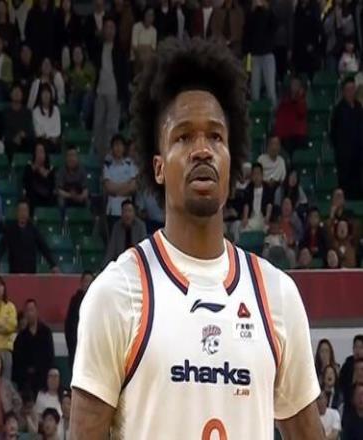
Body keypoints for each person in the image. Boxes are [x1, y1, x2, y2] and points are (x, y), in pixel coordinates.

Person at [70, 38, 323, 438]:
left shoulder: (277, 295)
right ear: (158, 167)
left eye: (216, 137)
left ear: (231, 161)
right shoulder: (118, 293)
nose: (202, 150)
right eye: (184, 137)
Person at [91, 16, 129, 159]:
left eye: (112, 27)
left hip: (114, 91)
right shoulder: (98, 48)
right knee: (98, 124)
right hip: (100, 90)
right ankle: (99, 155)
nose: (109, 30)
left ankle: (111, 156)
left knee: (111, 126)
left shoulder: (120, 50)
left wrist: (123, 95)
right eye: (106, 27)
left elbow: (124, 74)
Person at [0, 200, 58, 274]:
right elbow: (1, 247)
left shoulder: (33, 230)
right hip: (14, 272)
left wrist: (53, 265)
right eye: (21, 210)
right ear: (17, 213)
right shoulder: (10, 229)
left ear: (28, 213)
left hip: (30, 273)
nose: (23, 213)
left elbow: (44, 248)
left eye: (25, 211)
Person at [330, 76, 363, 199]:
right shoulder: (338, 110)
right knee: (345, 186)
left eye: (353, 89)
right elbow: (333, 134)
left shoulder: (359, 107)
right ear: (343, 92)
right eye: (348, 89)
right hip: (344, 157)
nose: (351, 92)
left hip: (359, 155)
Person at [12, 299, 54, 394]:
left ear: (37, 311)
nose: (30, 313)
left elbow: (50, 356)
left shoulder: (46, 332)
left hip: (43, 379)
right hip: (26, 381)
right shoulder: (21, 337)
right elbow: (17, 360)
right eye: (27, 310)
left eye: (32, 310)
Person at [243, 0, 277, 105]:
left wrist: (267, 9)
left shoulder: (269, 12)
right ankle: (256, 113)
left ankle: (273, 112)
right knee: (254, 90)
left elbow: (275, 26)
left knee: (270, 89)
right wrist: (251, 12)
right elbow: (247, 32)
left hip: (268, 54)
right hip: (255, 55)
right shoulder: (250, 14)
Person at [103, 134, 138, 232]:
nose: (118, 148)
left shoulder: (130, 164)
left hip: (128, 211)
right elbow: (108, 187)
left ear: (124, 147)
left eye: (120, 145)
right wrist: (125, 185)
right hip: (113, 210)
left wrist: (116, 190)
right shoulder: (107, 165)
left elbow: (133, 187)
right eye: (115, 145)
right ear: (112, 148)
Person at [64, 271, 94, 369]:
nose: (88, 284)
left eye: (90, 282)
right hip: (77, 346)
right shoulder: (74, 301)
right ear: (81, 283)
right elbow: (69, 326)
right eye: (86, 281)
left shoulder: (98, 301)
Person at [104, 200, 147, 264]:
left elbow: (144, 247)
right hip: (121, 261)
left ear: (134, 213)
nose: (127, 214)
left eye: (129, 211)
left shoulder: (141, 226)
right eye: (124, 211)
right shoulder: (117, 226)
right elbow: (111, 249)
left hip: (136, 261)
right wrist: (104, 266)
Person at [274, 77, 307, 158]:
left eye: (296, 84)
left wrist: (299, 98)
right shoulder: (284, 100)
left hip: (297, 135)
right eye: (293, 84)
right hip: (284, 136)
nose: (294, 86)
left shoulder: (302, 100)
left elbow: (302, 112)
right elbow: (279, 116)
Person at [66, 45, 96, 128]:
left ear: (83, 55)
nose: (77, 56)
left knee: (88, 96)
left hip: (87, 94)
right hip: (75, 94)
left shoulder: (89, 67)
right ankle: (73, 121)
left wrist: (81, 81)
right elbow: (70, 85)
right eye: (75, 54)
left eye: (79, 53)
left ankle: (82, 120)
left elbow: (91, 84)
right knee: (72, 96)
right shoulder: (69, 70)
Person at [292, 0, 322, 79]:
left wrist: (313, 44)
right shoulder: (298, 8)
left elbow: (318, 28)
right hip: (298, 48)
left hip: (311, 48)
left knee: (311, 73)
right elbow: (295, 28)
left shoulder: (314, 7)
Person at [3, 84, 33, 161]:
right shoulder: (5, 112)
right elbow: (4, 130)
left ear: (22, 95)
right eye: (14, 91)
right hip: (10, 142)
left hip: (24, 141)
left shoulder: (27, 112)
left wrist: (23, 135)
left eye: (19, 91)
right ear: (10, 95)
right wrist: (14, 138)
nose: (17, 93)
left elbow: (30, 131)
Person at [241, 162, 274, 232]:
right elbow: (246, 204)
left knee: (265, 228)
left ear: (262, 175)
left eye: (258, 173)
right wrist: (245, 217)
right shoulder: (248, 188)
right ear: (251, 176)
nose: (256, 176)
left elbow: (269, 204)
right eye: (254, 174)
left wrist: (267, 217)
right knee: (243, 228)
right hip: (252, 217)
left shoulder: (268, 189)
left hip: (263, 217)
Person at [22, 141, 56, 209]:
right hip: (32, 199)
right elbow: (26, 184)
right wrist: (35, 168)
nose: (40, 155)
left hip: (47, 199)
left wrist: (45, 175)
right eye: (38, 152)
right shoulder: (28, 168)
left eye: (42, 152)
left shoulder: (51, 170)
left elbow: (52, 187)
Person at [56, 146, 89, 210]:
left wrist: (81, 196)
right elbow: (59, 190)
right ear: (66, 158)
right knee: (60, 201)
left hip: (79, 198)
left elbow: (85, 189)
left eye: (73, 155)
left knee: (87, 200)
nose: (71, 158)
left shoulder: (82, 170)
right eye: (69, 155)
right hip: (67, 197)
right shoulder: (61, 171)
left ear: (77, 158)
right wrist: (71, 195)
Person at [32, 83, 61, 153]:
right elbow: (38, 131)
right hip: (42, 140)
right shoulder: (35, 111)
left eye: (48, 93)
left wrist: (52, 137)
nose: (46, 95)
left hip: (54, 140)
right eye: (43, 93)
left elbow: (57, 129)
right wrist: (49, 136)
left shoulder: (56, 110)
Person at [131, 7, 157, 74]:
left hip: (148, 59)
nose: (150, 18)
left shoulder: (154, 30)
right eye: (148, 15)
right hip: (137, 58)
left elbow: (153, 48)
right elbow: (134, 46)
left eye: (152, 15)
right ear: (144, 15)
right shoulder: (136, 27)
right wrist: (146, 48)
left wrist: (144, 47)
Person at [339, 335, 363, 405]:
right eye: (356, 347)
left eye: (361, 347)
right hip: (349, 401)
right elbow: (341, 385)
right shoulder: (347, 364)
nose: (358, 351)